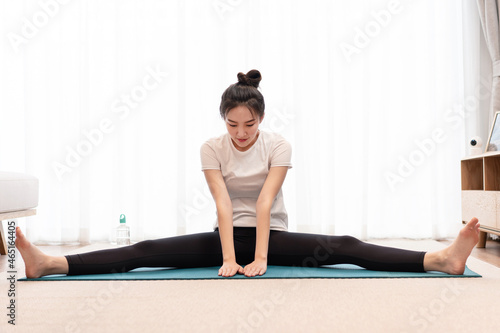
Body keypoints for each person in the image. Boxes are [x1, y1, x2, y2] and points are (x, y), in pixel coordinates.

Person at [15, 69, 481, 279]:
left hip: (269, 234)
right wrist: (227, 258)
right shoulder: (210, 147)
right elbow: (223, 204)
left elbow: (263, 203)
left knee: (345, 247)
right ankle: (49, 264)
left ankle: (439, 260)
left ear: (261, 119)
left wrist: (258, 260)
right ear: (223, 121)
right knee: (146, 249)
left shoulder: (278, 144)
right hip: (223, 233)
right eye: (232, 125)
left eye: (249, 125)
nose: (241, 134)